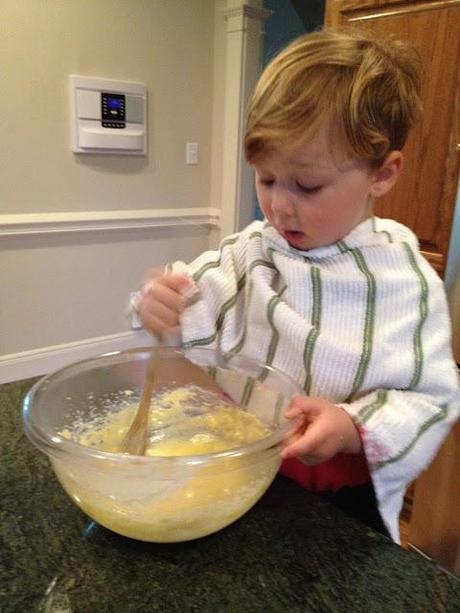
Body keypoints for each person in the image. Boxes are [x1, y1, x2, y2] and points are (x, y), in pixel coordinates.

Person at [134, 28, 459, 542]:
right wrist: (161, 303)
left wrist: (352, 428)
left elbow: (431, 397)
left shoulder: (404, 279)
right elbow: (194, 292)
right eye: (266, 179)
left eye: (307, 186)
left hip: (342, 496)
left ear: (383, 173)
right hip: (244, 463)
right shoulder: (252, 249)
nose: (280, 205)